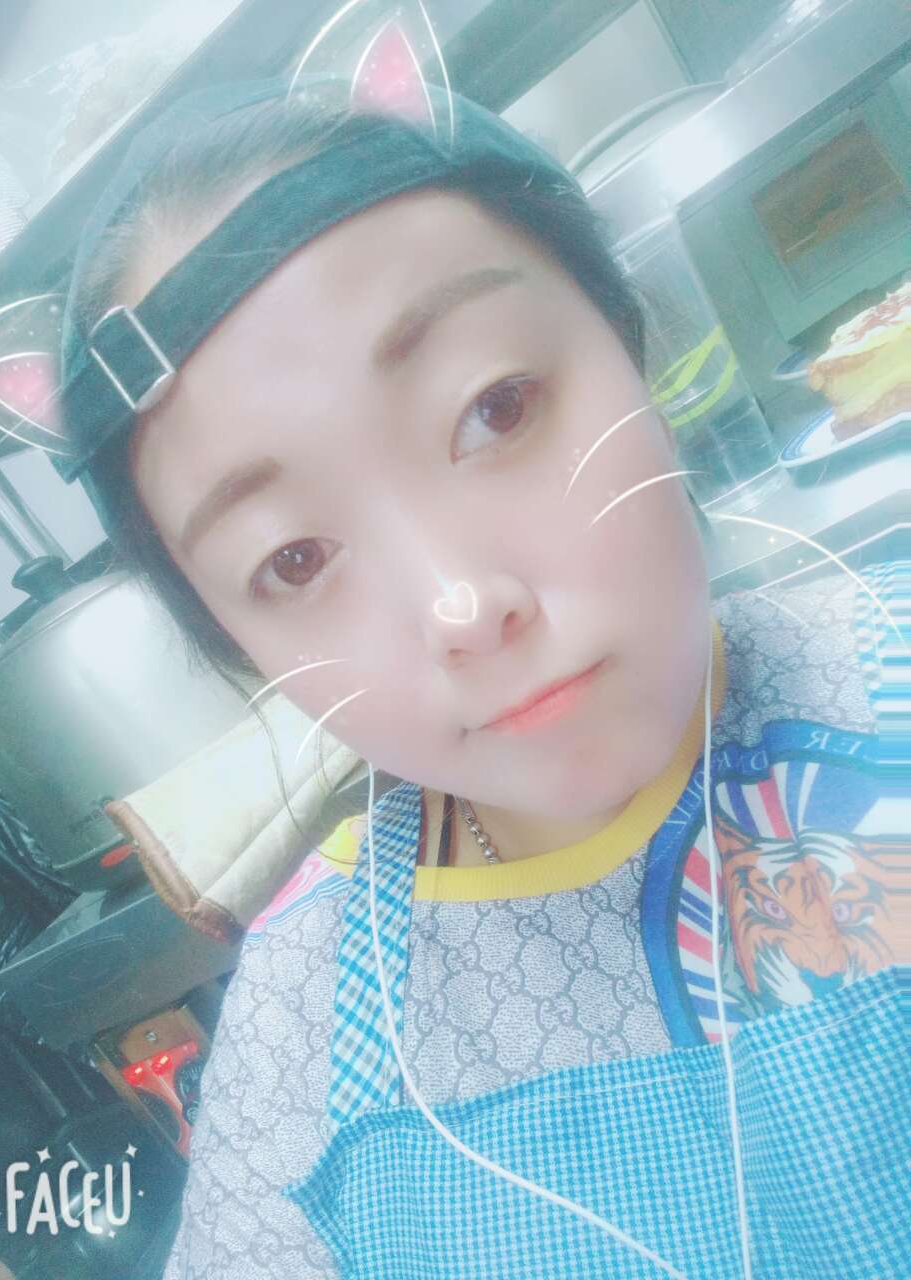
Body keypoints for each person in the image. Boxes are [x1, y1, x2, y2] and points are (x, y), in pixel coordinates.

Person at [54, 75, 907, 1280]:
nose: (461, 604)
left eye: (495, 409)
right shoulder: (300, 1036)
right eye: (295, 559)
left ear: (627, 339)